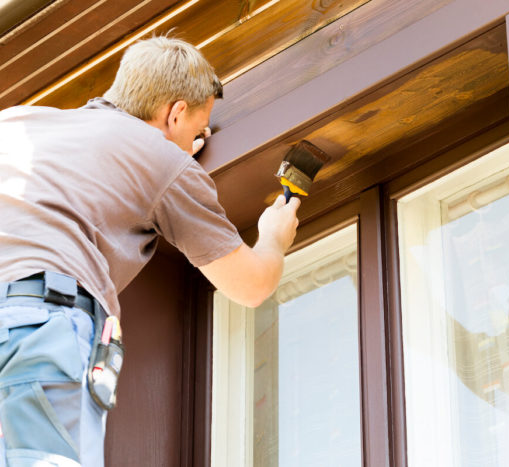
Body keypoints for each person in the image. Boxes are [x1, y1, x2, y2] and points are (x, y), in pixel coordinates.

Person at [0, 36, 300, 466]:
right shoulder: (161, 161)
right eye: (198, 129)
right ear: (175, 112)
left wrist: (170, 147)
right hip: (41, 326)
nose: (198, 140)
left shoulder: (16, 124)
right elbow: (252, 286)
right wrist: (273, 237)